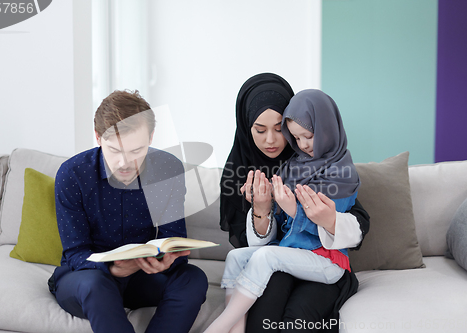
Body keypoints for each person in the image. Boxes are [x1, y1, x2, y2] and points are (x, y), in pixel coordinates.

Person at [219, 73, 370, 333]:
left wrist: (327, 220)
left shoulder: (330, 163)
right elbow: (255, 249)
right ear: (246, 127)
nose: (271, 140)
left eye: (280, 129)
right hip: (277, 260)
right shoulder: (247, 173)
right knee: (263, 315)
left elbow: (356, 220)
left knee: (297, 319)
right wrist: (262, 211)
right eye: (259, 129)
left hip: (321, 262)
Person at [47, 90, 208, 333]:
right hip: (87, 278)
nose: (125, 163)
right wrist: (113, 268)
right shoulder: (72, 174)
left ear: (151, 137)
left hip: (143, 276)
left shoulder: (168, 169)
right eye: (115, 150)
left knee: (193, 278)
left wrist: (165, 261)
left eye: (136, 151)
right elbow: (76, 253)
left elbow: (173, 237)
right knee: (95, 284)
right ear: (98, 137)